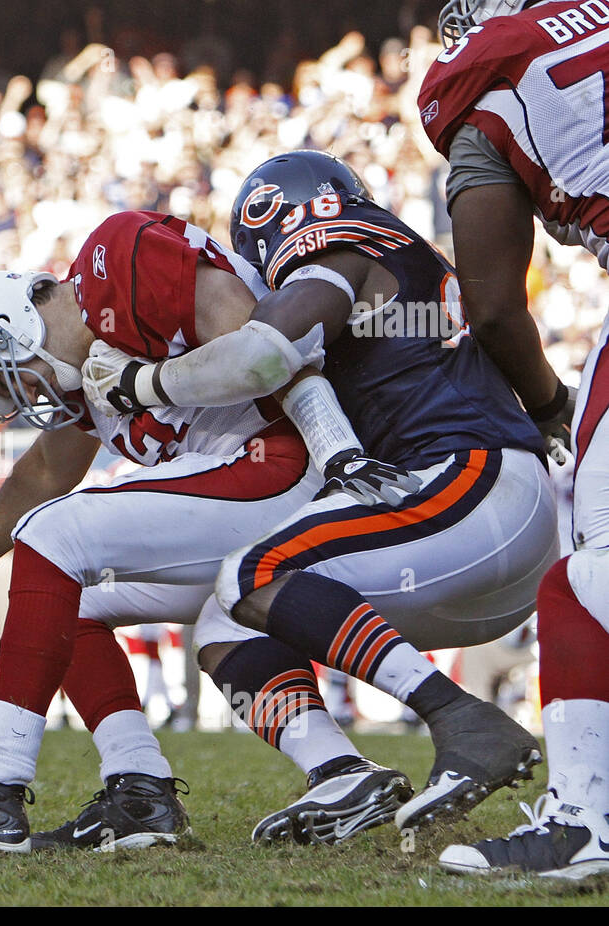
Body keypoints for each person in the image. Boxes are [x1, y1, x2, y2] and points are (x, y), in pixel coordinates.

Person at [87, 150, 558, 842]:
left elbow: (261, 352)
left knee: (254, 571)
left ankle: (464, 718)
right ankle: (341, 773)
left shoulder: (348, 242)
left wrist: (140, 385)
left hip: (467, 482)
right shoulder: (391, 258)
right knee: (230, 621)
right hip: (479, 533)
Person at [0, 211, 336, 854]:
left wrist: (333, 444)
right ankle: (140, 789)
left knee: (52, 536)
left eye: (12, 380)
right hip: (241, 502)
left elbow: (261, 346)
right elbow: (41, 474)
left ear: (15, 330)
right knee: (63, 600)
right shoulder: (88, 376)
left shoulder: (117, 261)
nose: (27, 400)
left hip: (286, 468)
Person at [415, 0, 609, 878]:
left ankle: (583, 822)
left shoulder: (483, 72)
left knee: (584, 580)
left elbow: (492, 309)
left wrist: (549, 405)